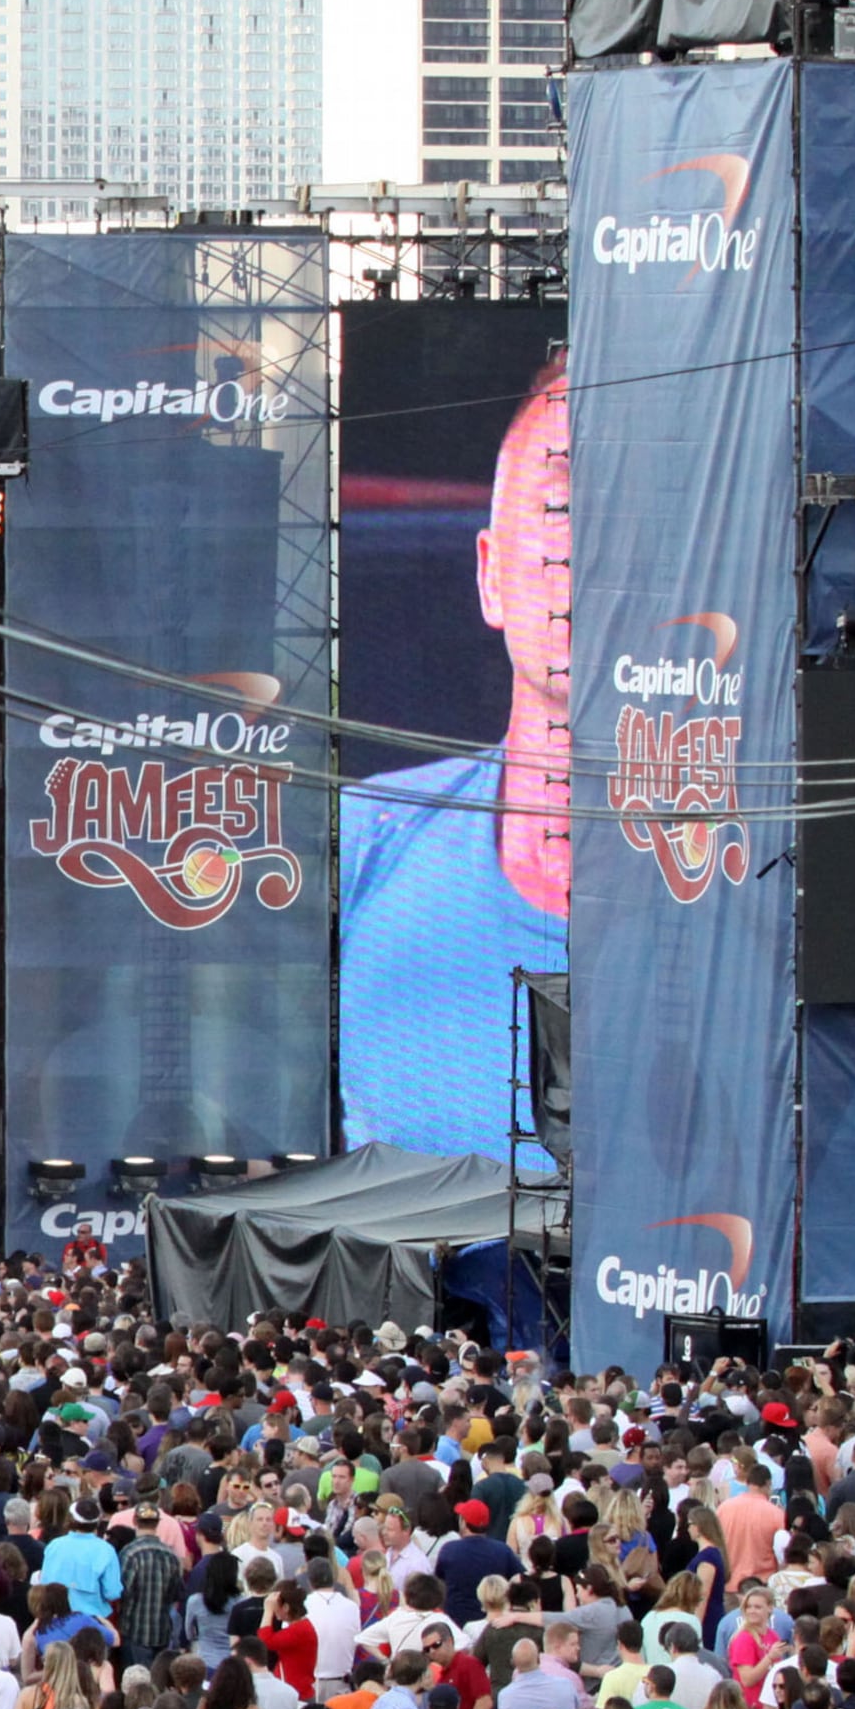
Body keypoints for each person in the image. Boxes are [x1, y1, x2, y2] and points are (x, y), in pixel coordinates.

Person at [337, 352, 571, 1159]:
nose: (586, 553)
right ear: (490, 575)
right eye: (564, 506)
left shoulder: (754, 873)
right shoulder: (359, 840)